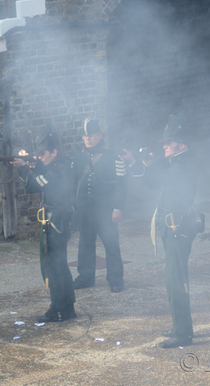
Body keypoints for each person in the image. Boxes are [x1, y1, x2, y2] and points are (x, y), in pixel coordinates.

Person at [121, 114, 200, 348]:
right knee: (172, 280)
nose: (165, 145)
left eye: (170, 142)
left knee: (177, 280)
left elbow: (165, 185)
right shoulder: (176, 164)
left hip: (177, 228)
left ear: (182, 144)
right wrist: (144, 164)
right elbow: (157, 183)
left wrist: (145, 164)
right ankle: (179, 326)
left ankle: (183, 333)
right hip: (171, 226)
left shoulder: (182, 166)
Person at [12, 129, 76, 322]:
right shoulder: (53, 167)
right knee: (58, 266)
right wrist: (29, 167)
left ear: (54, 152)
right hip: (53, 219)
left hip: (57, 220)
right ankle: (66, 307)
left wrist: (30, 167)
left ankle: (58, 308)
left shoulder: (61, 168)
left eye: (43, 154)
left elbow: (42, 186)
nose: (40, 157)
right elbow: (36, 184)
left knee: (54, 266)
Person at [71, 118, 126, 293]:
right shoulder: (79, 155)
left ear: (99, 136)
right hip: (85, 209)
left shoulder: (112, 155)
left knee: (111, 244)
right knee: (85, 244)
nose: (88, 138)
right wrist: (75, 207)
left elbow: (121, 184)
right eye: (85, 135)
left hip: (105, 208)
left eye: (92, 135)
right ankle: (86, 277)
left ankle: (116, 279)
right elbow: (74, 181)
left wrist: (118, 207)